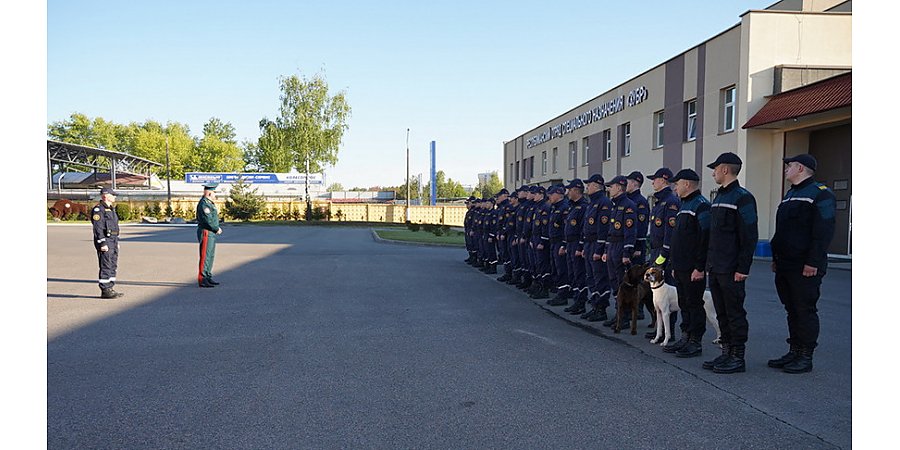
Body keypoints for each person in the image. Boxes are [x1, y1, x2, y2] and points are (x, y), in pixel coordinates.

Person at [769, 154, 836, 374]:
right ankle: (794, 351)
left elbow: (823, 231)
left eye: (789, 166)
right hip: (786, 264)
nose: (786, 169)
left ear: (800, 168)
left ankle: (805, 355)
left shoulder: (820, 194)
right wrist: (776, 259)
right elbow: (784, 232)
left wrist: (813, 262)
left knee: (804, 309)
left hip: (805, 266)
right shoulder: (791, 195)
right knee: (791, 309)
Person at [703, 152, 758, 374]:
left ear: (725, 169)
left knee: (734, 312)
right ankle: (726, 352)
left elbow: (749, 235)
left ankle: (737, 356)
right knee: (722, 312)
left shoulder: (742, 197)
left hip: (731, 268)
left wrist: (743, 268)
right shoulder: (719, 197)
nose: (713, 172)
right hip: (716, 266)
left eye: (715, 168)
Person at [668, 169, 712, 358]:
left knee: (694, 304)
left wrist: (699, 267)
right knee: (684, 303)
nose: (675, 187)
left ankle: (695, 341)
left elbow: (704, 238)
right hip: (680, 266)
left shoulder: (701, 205)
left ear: (686, 184)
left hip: (693, 267)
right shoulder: (684, 204)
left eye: (676, 184)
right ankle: (685, 337)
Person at [647, 168, 683, 346]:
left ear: (663, 180)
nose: (652, 182)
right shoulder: (659, 202)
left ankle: (671, 332)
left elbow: (670, 232)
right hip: (656, 250)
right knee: (657, 294)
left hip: (664, 253)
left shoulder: (670, 202)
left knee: (668, 293)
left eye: (654, 179)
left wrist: (663, 256)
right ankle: (660, 330)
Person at [602, 176, 637, 327]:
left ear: (619, 187)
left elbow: (630, 231)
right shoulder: (615, 205)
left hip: (621, 246)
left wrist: (626, 253)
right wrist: (605, 250)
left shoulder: (628, 205)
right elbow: (610, 231)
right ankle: (619, 313)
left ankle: (625, 317)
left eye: (611, 186)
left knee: (623, 283)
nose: (609, 189)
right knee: (614, 282)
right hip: (612, 246)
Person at [549, 179, 587, 307]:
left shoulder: (583, 207)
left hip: (576, 242)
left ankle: (579, 301)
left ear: (576, 190)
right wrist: (565, 244)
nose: (568, 192)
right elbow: (566, 228)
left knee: (578, 273)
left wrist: (580, 246)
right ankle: (575, 299)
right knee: (572, 273)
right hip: (569, 243)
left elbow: (583, 229)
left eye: (570, 190)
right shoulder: (572, 206)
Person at [92, 186, 124, 299]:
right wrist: (102, 243)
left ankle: (110, 287)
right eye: (113, 195)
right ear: (105, 196)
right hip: (105, 241)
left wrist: (116, 242)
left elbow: (114, 226)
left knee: (112, 265)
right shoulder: (98, 210)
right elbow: (98, 228)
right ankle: (105, 289)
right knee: (106, 264)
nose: (115, 197)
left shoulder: (111, 209)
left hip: (113, 240)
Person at [546, 185, 571, 302]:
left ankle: (563, 295)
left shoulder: (564, 208)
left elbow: (566, 228)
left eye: (551, 194)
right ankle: (559, 291)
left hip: (560, 242)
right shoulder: (554, 207)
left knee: (562, 269)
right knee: (556, 267)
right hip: (554, 242)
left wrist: (564, 244)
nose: (549, 196)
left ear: (558, 194)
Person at [197, 182, 224, 288]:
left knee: (210, 256)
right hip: (206, 231)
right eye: (214, 193)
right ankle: (202, 279)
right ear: (209, 193)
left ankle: (207, 276)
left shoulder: (209, 202)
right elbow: (207, 220)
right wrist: (216, 228)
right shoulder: (204, 204)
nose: (215, 195)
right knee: (205, 256)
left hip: (210, 232)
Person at [528, 186, 552, 299]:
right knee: (537, 264)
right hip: (535, 238)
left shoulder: (545, 207)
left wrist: (542, 241)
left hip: (541, 239)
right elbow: (535, 226)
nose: (534, 195)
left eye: (536, 194)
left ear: (541, 194)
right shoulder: (538, 207)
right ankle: (538, 285)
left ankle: (545, 288)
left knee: (543, 265)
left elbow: (545, 227)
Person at [626, 171, 650, 266]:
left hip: (636, 246)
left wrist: (638, 247)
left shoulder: (641, 202)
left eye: (627, 182)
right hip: (627, 245)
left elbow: (641, 225)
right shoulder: (627, 200)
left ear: (634, 183)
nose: (625, 185)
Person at [463, 196, 477, 264]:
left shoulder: (474, 211)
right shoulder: (469, 211)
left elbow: (474, 222)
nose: (467, 205)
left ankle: (474, 258)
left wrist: (472, 229)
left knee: (472, 244)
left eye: (468, 203)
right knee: (469, 244)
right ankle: (471, 256)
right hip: (468, 229)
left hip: (471, 230)